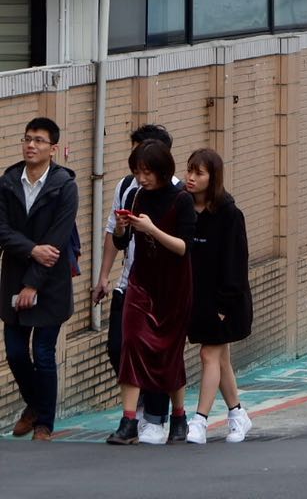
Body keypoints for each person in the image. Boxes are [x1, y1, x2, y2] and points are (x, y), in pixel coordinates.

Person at [107, 140, 195, 445]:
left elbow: (184, 248)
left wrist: (152, 229)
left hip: (174, 286)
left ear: (161, 170)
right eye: (137, 172)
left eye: (146, 172)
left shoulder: (182, 199)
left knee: (170, 352)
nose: (141, 178)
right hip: (141, 282)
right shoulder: (136, 196)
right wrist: (121, 228)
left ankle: (179, 416)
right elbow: (122, 242)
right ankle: (129, 421)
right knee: (130, 343)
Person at [0, 117, 77, 442]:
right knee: (16, 352)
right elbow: (1, 230)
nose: (31, 145)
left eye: (40, 140)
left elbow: (57, 241)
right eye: (28, 138)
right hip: (14, 277)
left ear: (53, 148)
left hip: (51, 283)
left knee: (43, 352)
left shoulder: (64, 186)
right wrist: (32, 250)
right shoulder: (8, 182)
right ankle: (33, 404)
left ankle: (44, 422)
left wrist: (34, 282)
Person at [92, 123, 173, 431]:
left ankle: (156, 418)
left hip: (164, 288)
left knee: (156, 351)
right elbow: (114, 231)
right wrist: (103, 276)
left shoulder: (178, 192)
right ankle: (136, 403)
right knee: (118, 346)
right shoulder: (126, 187)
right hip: (129, 283)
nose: (140, 161)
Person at [183, 148, 252, 444]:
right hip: (195, 299)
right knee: (220, 358)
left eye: (199, 173)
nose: (191, 178)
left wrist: (224, 303)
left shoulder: (229, 214)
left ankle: (199, 421)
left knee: (209, 354)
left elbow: (236, 261)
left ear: (213, 178)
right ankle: (238, 413)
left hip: (225, 300)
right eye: (189, 171)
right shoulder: (183, 210)